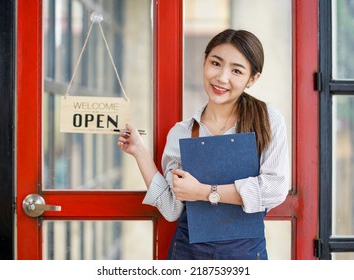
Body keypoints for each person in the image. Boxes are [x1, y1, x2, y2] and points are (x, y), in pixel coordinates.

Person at [117, 29, 289, 260]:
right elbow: (171, 209)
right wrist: (140, 153)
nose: (221, 77)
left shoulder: (267, 119)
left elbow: (275, 188)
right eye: (215, 63)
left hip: (246, 257)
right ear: (204, 61)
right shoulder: (183, 132)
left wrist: (205, 192)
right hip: (188, 254)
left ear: (252, 79)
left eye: (236, 70)